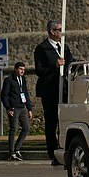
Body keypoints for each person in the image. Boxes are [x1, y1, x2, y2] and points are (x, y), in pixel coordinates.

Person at [34, 19, 74, 165]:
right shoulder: (42, 48)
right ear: (52, 31)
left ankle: (63, 148)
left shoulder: (64, 47)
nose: (61, 33)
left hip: (64, 89)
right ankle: (52, 152)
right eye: (59, 30)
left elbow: (70, 61)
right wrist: (54, 65)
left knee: (64, 120)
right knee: (51, 122)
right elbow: (39, 70)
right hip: (50, 91)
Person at [0, 62, 33, 161]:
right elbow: (4, 96)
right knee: (13, 129)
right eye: (20, 69)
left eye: (23, 69)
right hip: (14, 107)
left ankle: (17, 149)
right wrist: (8, 108)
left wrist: (29, 108)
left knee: (26, 128)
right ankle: (11, 152)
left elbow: (25, 93)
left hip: (22, 107)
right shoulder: (9, 80)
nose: (22, 71)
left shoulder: (23, 79)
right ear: (15, 69)